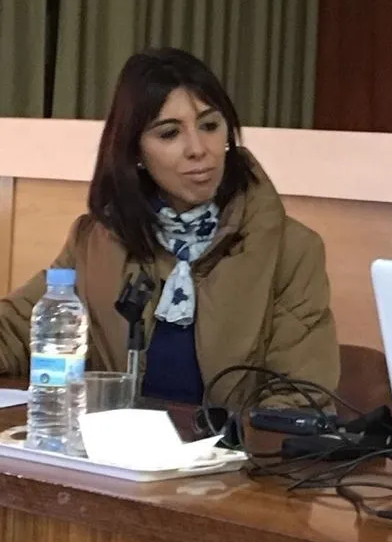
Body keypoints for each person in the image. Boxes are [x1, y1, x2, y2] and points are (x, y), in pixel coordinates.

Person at [0, 47, 341, 408]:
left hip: (231, 459)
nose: (198, 149)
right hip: (114, 456)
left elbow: (301, 399)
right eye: (169, 134)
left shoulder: (291, 249)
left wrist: (224, 455)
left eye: (210, 126)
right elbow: (17, 331)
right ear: (136, 152)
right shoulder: (96, 240)